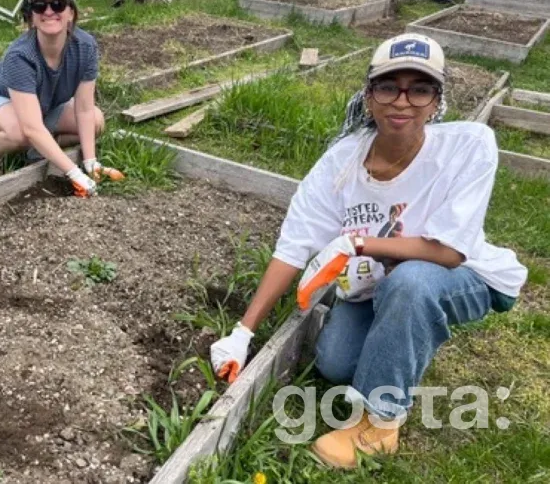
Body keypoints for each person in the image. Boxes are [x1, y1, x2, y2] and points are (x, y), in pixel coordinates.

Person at [209, 33, 527, 468]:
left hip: (465, 276)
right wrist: (242, 333)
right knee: (336, 365)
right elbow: (295, 243)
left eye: (419, 89)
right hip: (376, 284)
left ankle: (381, 424)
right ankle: (404, 339)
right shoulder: (342, 162)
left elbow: (450, 252)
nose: (402, 101)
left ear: (437, 101)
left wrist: (357, 243)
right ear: (369, 96)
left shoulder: (469, 145)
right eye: (387, 87)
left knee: (411, 283)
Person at [0, 0, 124, 197]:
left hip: (39, 106)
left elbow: (83, 108)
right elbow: (32, 127)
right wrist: (74, 173)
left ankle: (35, 151)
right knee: (21, 132)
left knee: (96, 121)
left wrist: (90, 162)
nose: (49, 11)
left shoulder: (85, 47)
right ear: (32, 17)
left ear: (71, 13)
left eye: (58, 4)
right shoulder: (20, 56)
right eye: (39, 6)